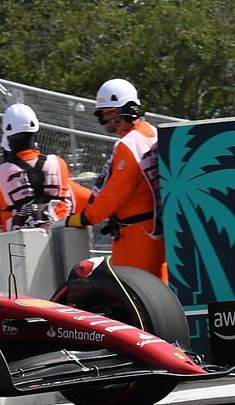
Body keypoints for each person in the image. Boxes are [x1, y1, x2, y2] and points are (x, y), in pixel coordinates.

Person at [68, 79, 165, 281]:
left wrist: (85, 218)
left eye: (111, 113)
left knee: (135, 298)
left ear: (129, 109)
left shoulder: (128, 145)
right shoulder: (153, 134)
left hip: (135, 239)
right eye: (105, 116)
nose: (108, 121)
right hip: (157, 233)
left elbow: (113, 195)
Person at [0, 104, 91, 234]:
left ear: (8, 138)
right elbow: (90, 200)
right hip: (61, 246)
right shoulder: (59, 165)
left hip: (20, 253)